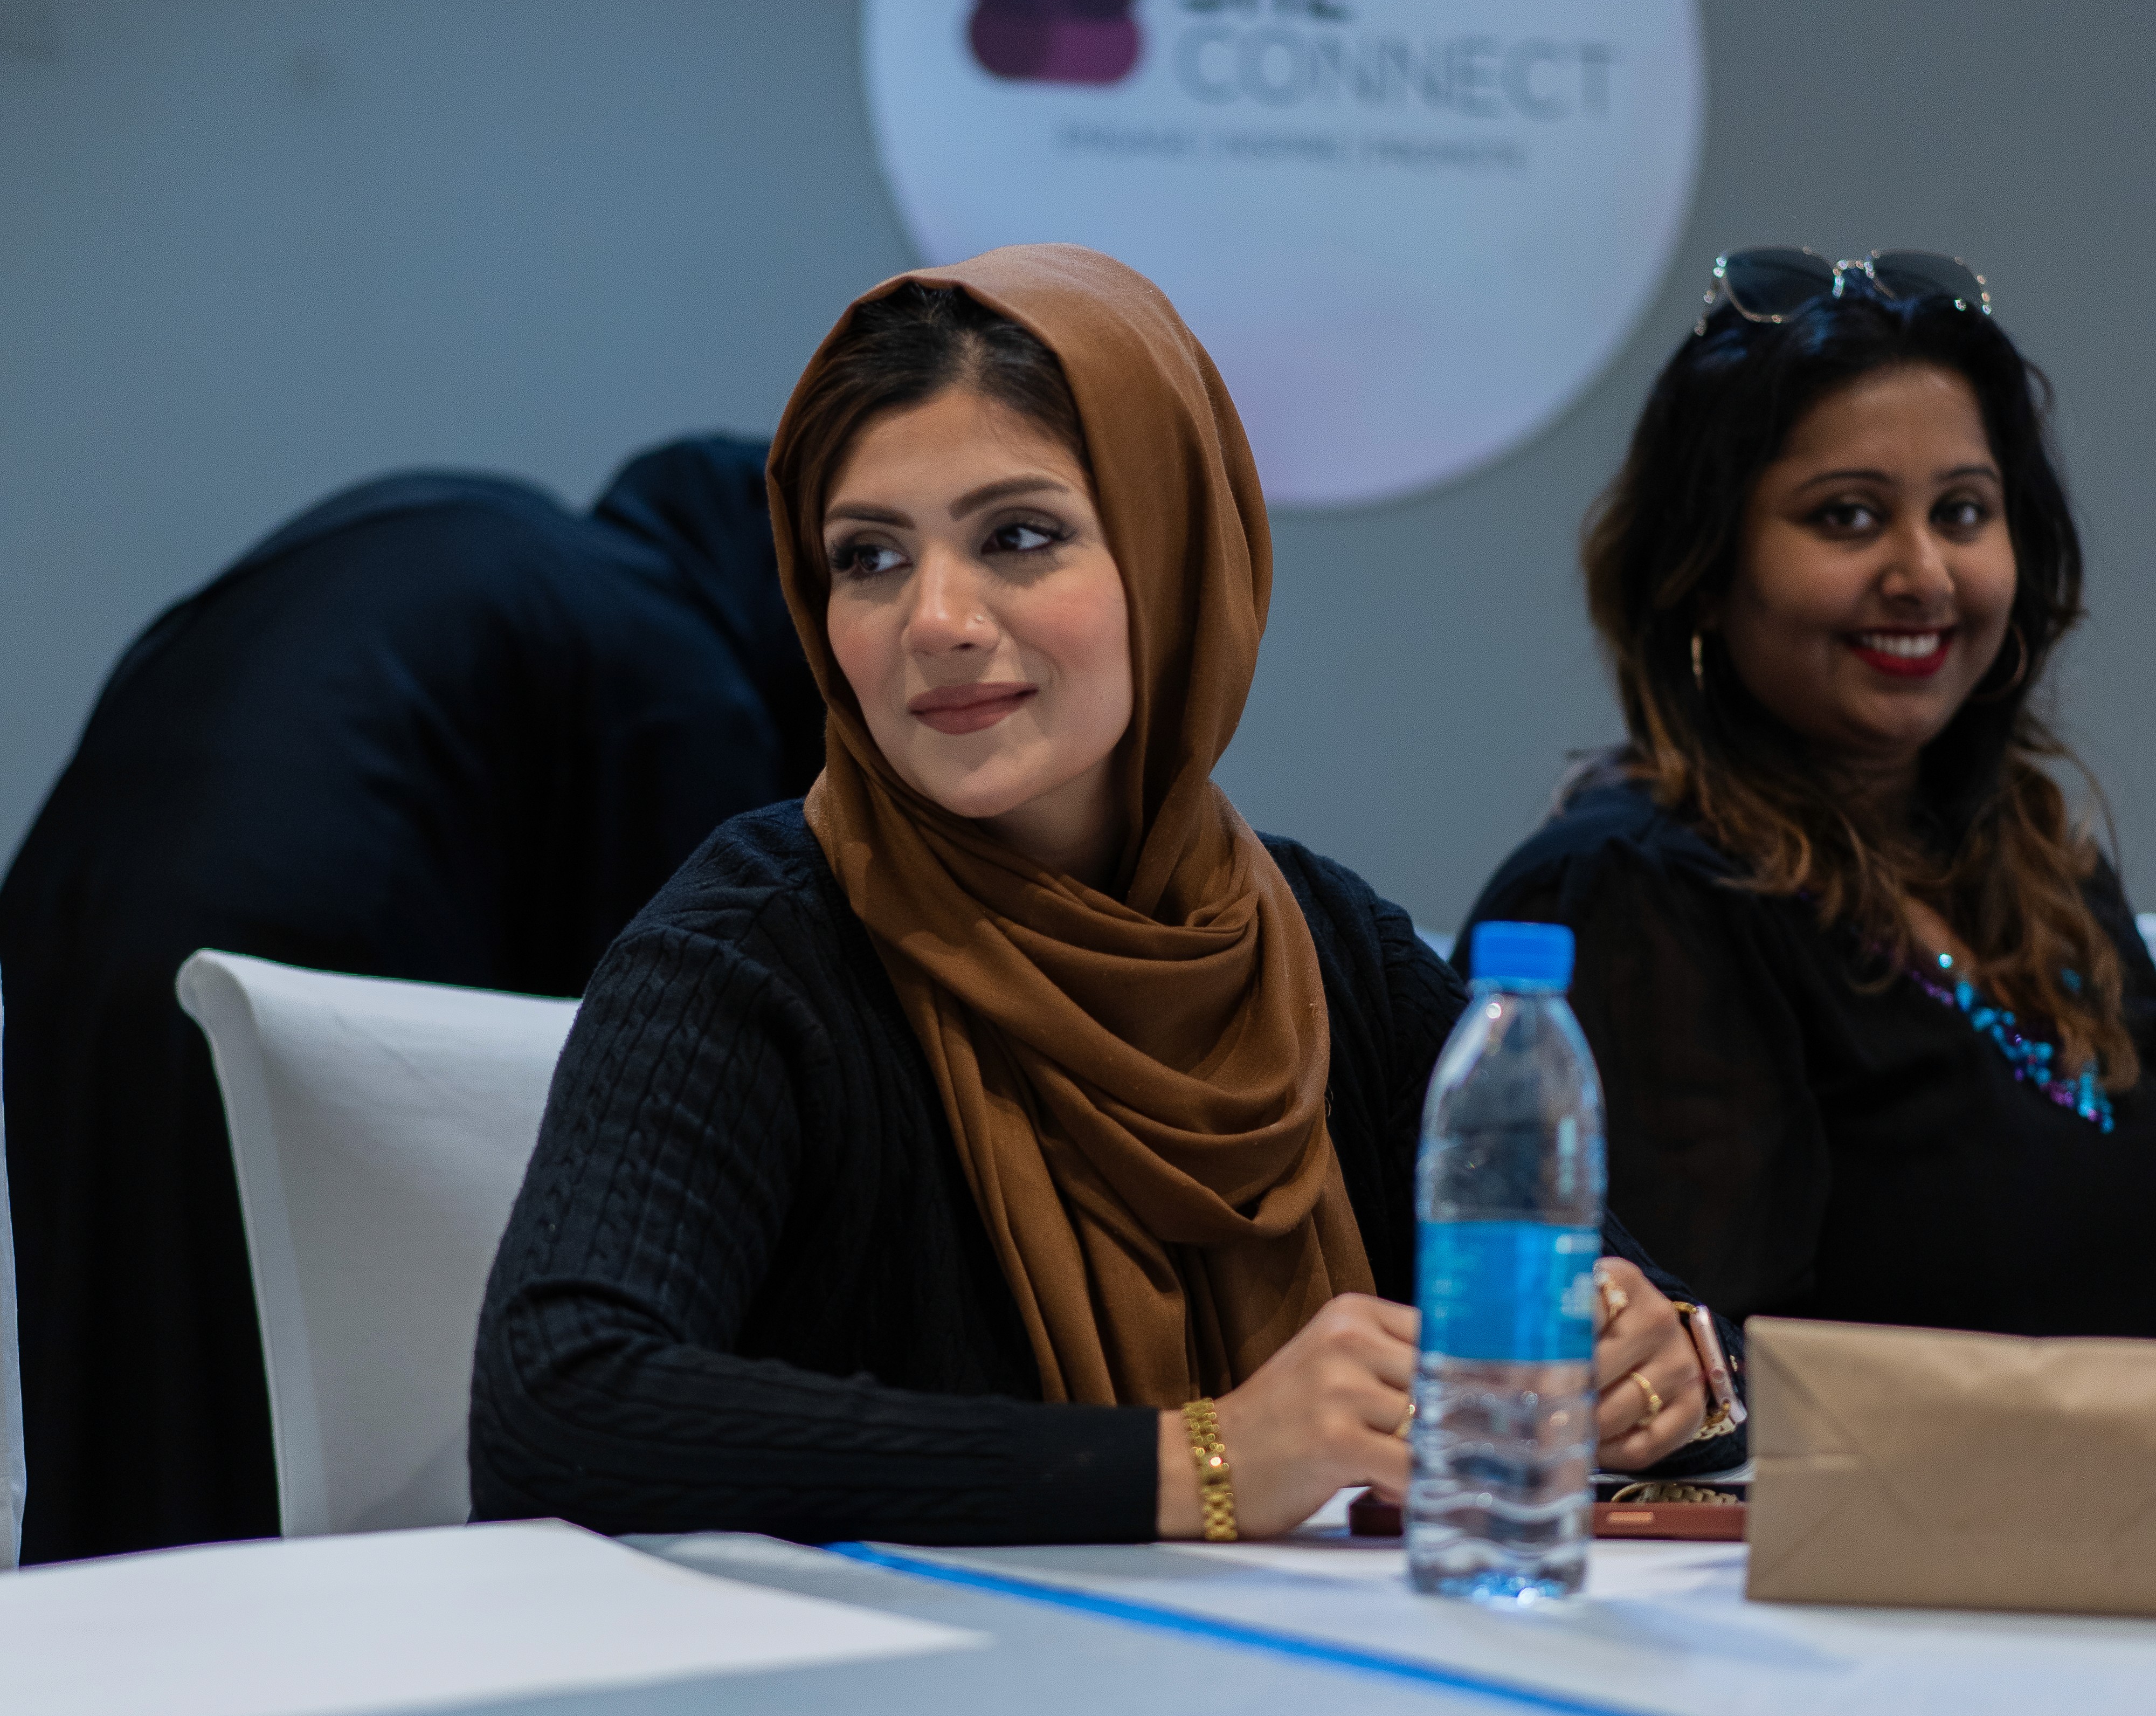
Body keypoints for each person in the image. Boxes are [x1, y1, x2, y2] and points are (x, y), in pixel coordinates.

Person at [472, 246, 1741, 1546]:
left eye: (1017, 538)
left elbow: (1623, 1308)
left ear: (1176, 556)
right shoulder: (752, 948)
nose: (936, 621)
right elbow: (559, 1411)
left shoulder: (1321, 948)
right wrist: (1198, 1462)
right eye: (868, 558)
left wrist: (1658, 1369)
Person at [0, 438, 824, 1561]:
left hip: (66, 920)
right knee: (265, 1389)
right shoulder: (680, 671)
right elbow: (654, 1032)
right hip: (293, 946)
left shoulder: (488, 526)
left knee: (114, 1354)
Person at [1464, 248, 2156, 1337]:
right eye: (1845, 517)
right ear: (1701, 571)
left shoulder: (2040, 871)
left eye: (1963, 514)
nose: (1922, 574)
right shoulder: (1628, 898)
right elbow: (1689, 1396)